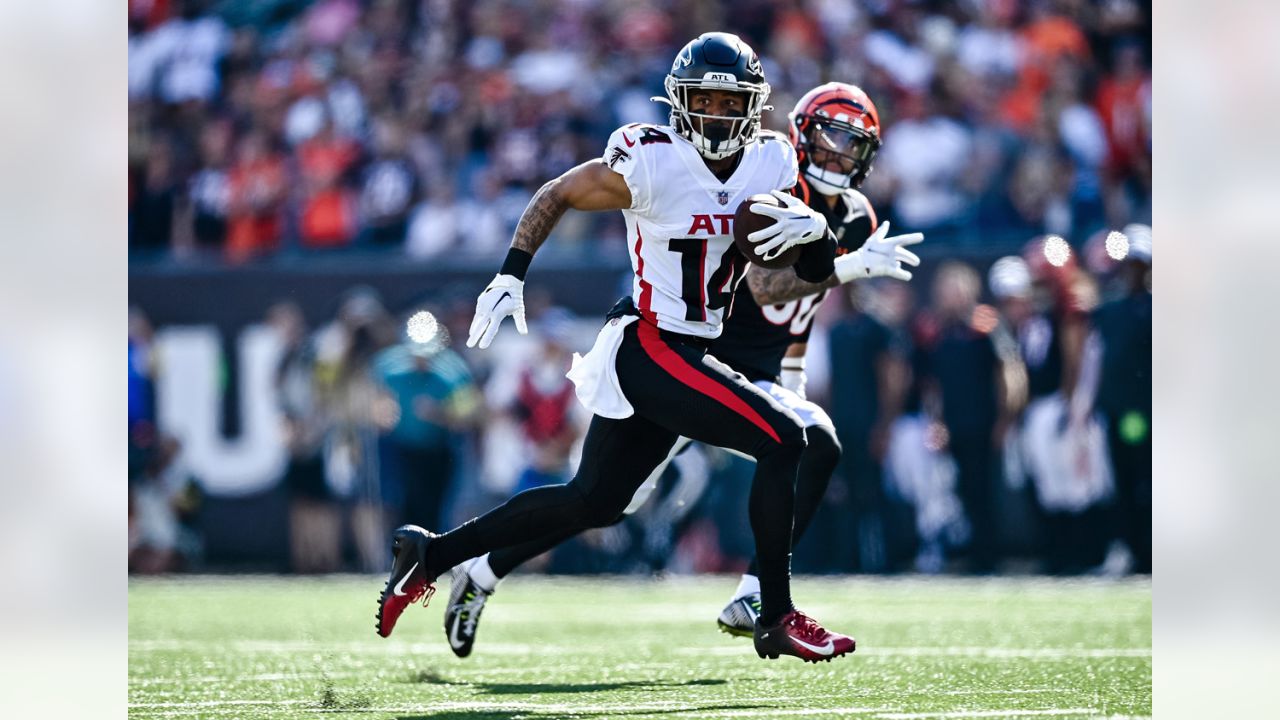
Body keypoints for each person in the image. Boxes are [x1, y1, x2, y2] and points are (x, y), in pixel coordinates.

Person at [376, 35, 914, 663]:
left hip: (694, 353)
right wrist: (510, 273)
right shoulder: (653, 159)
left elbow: (805, 262)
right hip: (651, 343)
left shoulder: (771, 162)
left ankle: (432, 553)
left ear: (753, 108)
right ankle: (774, 614)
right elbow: (559, 193)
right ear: (680, 103)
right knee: (786, 440)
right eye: (703, 100)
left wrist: (819, 235)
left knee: (596, 501)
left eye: (729, 101)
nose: (715, 113)